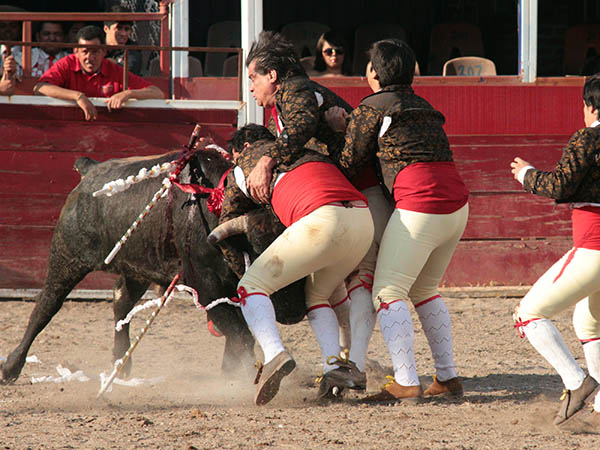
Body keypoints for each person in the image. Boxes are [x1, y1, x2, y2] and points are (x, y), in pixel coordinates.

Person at [329, 38, 469, 403]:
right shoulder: (425, 106)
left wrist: (338, 127)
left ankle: (406, 381)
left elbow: (348, 162)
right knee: (424, 290)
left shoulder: (372, 107)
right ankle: (447, 376)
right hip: (456, 203)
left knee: (388, 291)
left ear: (373, 72)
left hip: (421, 205)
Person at [216, 124, 374, 405]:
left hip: (320, 220)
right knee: (318, 295)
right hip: (363, 221)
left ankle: (274, 352)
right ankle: (333, 367)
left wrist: (245, 276)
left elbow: (225, 227)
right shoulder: (308, 150)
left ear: (244, 149)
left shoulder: (244, 164)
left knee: (250, 286)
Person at [510, 74, 600, 429]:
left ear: (591, 106)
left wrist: (526, 174)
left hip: (595, 245)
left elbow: (560, 183)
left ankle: (577, 383)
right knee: (589, 320)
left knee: (528, 313)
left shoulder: (590, 136)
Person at [244, 30, 353, 204]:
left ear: (272, 75)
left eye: (253, 78)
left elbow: (302, 124)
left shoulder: (296, 88)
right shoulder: (284, 102)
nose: (251, 88)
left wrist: (265, 162)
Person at [33, 25, 163, 121]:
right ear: (76, 52)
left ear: (104, 52)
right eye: (85, 51)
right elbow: (40, 87)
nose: (89, 57)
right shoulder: (67, 63)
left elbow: (157, 93)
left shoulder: (113, 69)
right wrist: (78, 97)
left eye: (95, 52)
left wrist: (128, 94)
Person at [103, 5, 142, 75]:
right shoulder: (96, 45)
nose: (123, 34)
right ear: (106, 29)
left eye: (127, 29)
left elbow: (130, 71)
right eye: (119, 28)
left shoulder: (132, 49)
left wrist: (106, 63)